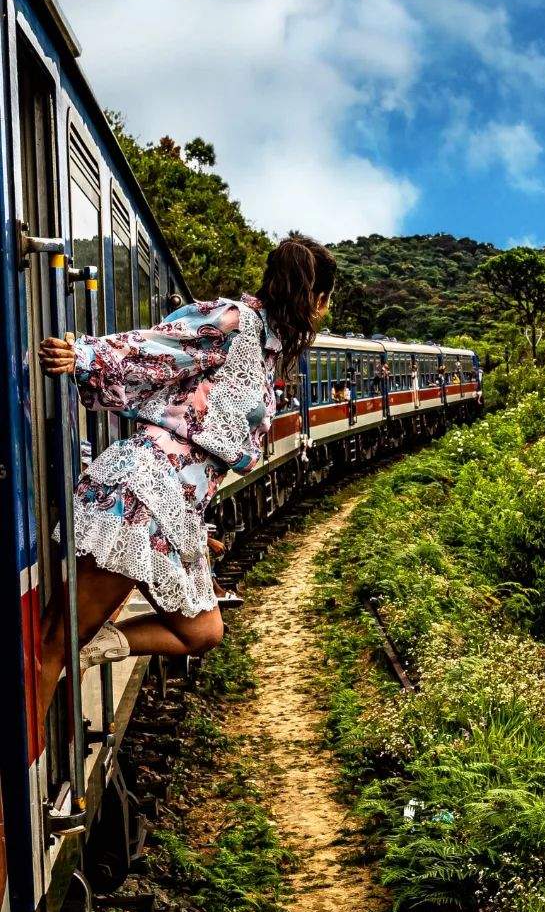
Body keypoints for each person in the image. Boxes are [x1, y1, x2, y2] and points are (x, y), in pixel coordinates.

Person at [37, 234, 336, 713]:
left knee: (203, 631)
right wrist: (87, 356)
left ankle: (95, 648)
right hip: (144, 489)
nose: (324, 310)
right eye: (325, 298)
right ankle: (25, 781)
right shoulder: (235, 321)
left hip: (176, 504)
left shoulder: (267, 347)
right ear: (311, 295)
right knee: (53, 641)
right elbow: (159, 346)